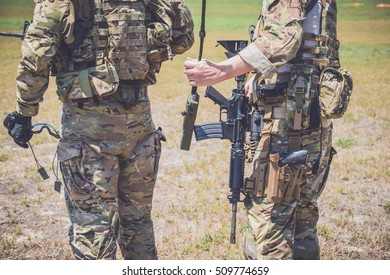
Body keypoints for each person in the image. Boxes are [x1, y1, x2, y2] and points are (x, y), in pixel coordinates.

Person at [3, 0, 194, 260]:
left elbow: (35, 58)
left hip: (88, 134)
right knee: (137, 223)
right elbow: (183, 39)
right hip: (139, 129)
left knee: (93, 228)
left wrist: (24, 113)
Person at [184, 0, 343, 259]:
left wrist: (222, 70)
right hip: (312, 126)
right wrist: (256, 76)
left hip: (286, 131)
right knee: (302, 225)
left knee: (268, 232)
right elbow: (304, 53)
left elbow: (284, 39)